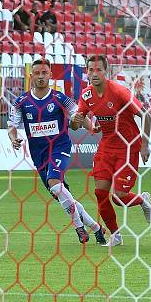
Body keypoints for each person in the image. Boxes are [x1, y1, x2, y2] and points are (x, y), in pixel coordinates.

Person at [8, 59, 107, 245]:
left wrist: (92, 128)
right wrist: (14, 139)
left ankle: (78, 227)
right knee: (61, 194)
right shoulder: (21, 101)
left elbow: (78, 114)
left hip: (60, 147)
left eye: (44, 73)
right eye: (36, 73)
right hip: (39, 154)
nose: (40, 77)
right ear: (31, 76)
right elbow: (12, 126)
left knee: (55, 183)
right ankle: (96, 228)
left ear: (50, 76)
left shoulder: (60, 98)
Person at [70, 55, 151, 247]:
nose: (94, 73)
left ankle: (142, 200)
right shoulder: (87, 94)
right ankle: (115, 235)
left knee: (119, 197)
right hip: (106, 146)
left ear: (106, 71)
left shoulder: (118, 92)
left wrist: (145, 145)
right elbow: (79, 120)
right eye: (90, 70)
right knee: (100, 193)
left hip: (128, 146)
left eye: (98, 69)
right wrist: (85, 125)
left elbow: (146, 115)